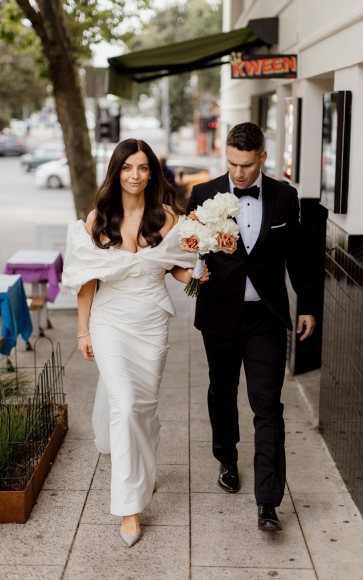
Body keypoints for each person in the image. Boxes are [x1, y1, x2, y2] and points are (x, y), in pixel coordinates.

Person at [62, 138, 209, 547]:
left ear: (152, 173)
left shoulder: (167, 218)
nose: (135, 175)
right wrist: (83, 330)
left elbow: (175, 267)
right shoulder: (98, 220)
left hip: (151, 324)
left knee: (143, 409)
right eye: (128, 167)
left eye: (143, 167)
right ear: (116, 171)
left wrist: (195, 276)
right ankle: (129, 509)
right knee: (125, 406)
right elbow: (86, 279)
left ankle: (143, 468)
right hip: (109, 321)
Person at [186, 122, 316, 532]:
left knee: (268, 406)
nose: (238, 173)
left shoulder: (285, 196)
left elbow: (298, 255)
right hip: (220, 315)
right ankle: (226, 457)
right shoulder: (204, 194)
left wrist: (307, 305)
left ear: (262, 157)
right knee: (222, 392)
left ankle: (268, 502)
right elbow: (186, 247)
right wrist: (192, 272)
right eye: (231, 163)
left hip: (266, 317)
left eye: (246, 164)